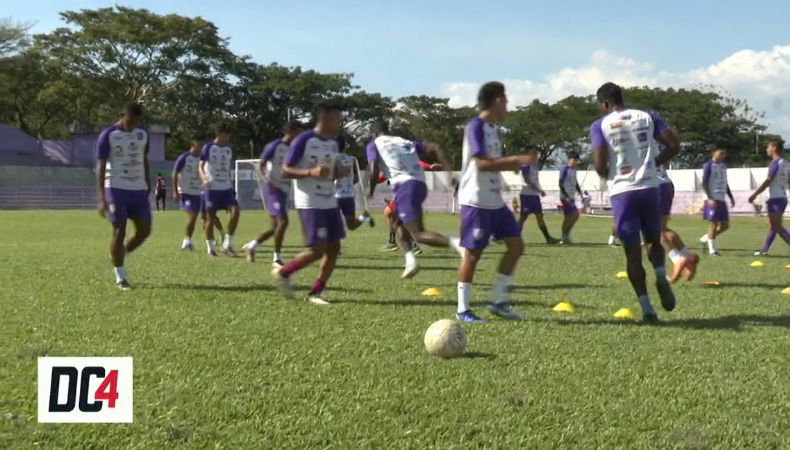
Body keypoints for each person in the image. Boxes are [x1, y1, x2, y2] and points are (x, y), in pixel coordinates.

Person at [590, 82, 680, 324]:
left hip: (623, 192)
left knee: (632, 253)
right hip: (650, 187)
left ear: (605, 103)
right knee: (653, 239)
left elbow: (599, 165)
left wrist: (609, 173)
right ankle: (661, 274)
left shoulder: (600, 125)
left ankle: (647, 308)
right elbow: (674, 145)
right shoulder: (648, 116)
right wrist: (654, 163)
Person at [455, 82, 536, 323]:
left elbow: (494, 163)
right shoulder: (475, 126)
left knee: (516, 246)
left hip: (495, 201)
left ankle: (498, 301)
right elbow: (481, 163)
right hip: (476, 201)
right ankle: (462, 310)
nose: (508, 106)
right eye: (506, 101)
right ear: (497, 101)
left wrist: (517, 166)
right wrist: (515, 160)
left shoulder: (493, 130)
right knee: (472, 256)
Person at [271, 102, 350, 305]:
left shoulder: (333, 143)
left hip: (329, 200)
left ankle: (316, 292)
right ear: (323, 117)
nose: (339, 121)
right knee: (318, 249)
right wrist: (309, 172)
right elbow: (285, 170)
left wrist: (338, 172)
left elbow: (327, 173)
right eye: (336, 117)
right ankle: (284, 273)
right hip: (310, 201)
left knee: (334, 249)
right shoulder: (304, 140)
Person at [367, 118, 462, 279]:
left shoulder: (374, 144)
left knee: (418, 234)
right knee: (396, 222)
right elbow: (436, 147)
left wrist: (371, 190)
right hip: (418, 184)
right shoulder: (404, 141)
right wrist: (449, 173)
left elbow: (373, 172)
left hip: (405, 187)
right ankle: (410, 261)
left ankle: (460, 245)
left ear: (373, 133)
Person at [95, 103, 152, 290]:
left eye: (136, 121)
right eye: (130, 120)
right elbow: (101, 165)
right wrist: (101, 196)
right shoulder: (109, 135)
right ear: (122, 115)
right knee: (119, 231)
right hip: (116, 187)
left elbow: (144, 160)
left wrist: (147, 182)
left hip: (137, 188)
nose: (133, 123)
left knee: (144, 230)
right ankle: (120, 277)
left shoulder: (142, 135)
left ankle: (121, 253)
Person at [243, 120, 304, 266]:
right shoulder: (275, 146)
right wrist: (268, 182)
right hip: (273, 189)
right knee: (283, 221)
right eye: (299, 132)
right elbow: (260, 165)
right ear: (290, 131)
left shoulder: (295, 149)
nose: (300, 135)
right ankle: (276, 258)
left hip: (284, 190)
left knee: (274, 227)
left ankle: (251, 246)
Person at [200, 122, 241, 257]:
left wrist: (231, 185)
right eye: (226, 134)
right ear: (219, 134)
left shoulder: (229, 149)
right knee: (210, 219)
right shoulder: (209, 147)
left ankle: (228, 244)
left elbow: (228, 168)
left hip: (226, 189)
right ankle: (210, 248)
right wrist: (205, 179)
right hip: (212, 190)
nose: (228, 137)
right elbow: (200, 166)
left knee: (236, 212)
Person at [657, 164, 699, 282]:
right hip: (666, 184)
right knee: (662, 229)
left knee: (654, 230)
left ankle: (677, 259)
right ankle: (687, 256)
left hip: (653, 186)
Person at [749, 140, 790, 255]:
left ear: (774, 148)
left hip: (776, 199)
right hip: (782, 197)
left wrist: (755, 194)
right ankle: (764, 250)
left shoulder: (775, 162)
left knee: (777, 226)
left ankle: (764, 250)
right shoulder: (786, 163)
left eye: (768, 147)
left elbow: (769, 180)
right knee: (773, 226)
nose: (767, 150)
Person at [517, 147, 560, 244]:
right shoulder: (526, 166)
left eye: (537, 155)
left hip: (534, 196)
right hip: (526, 195)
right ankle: (512, 237)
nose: (537, 157)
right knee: (523, 218)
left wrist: (540, 190)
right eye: (534, 154)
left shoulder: (535, 167)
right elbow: (527, 180)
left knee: (540, 216)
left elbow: (535, 181)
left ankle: (548, 238)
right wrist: (538, 190)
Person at [698, 147, 735, 256]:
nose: (723, 155)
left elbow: (725, 182)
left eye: (724, 154)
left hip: (722, 198)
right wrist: (709, 197)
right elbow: (704, 183)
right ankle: (712, 250)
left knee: (725, 226)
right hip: (712, 199)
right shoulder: (708, 165)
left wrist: (731, 196)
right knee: (713, 224)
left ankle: (705, 239)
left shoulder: (723, 166)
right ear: (714, 154)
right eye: (721, 153)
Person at [172, 137, 205, 251]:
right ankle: (186, 242)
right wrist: (175, 191)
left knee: (196, 218)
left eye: (202, 146)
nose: (200, 148)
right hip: (186, 192)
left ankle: (189, 240)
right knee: (192, 216)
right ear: (192, 145)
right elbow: (175, 174)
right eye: (198, 146)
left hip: (199, 192)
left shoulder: (202, 159)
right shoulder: (184, 157)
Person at [336, 135, 374, 232]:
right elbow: (356, 179)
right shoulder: (350, 159)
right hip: (349, 195)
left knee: (329, 223)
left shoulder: (330, 159)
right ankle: (363, 217)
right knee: (351, 225)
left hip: (334, 195)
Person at [559, 152, 583, 244]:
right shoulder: (564, 169)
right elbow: (560, 183)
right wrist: (567, 196)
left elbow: (576, 183)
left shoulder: (574, 170)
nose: (577, 163)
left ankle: (565, 237)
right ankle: (565, 236)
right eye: (576, 161)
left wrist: (580, 193)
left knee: (569, 217)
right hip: (565, 197)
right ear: (572, 160)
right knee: (574, 214)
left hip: (571, 197)